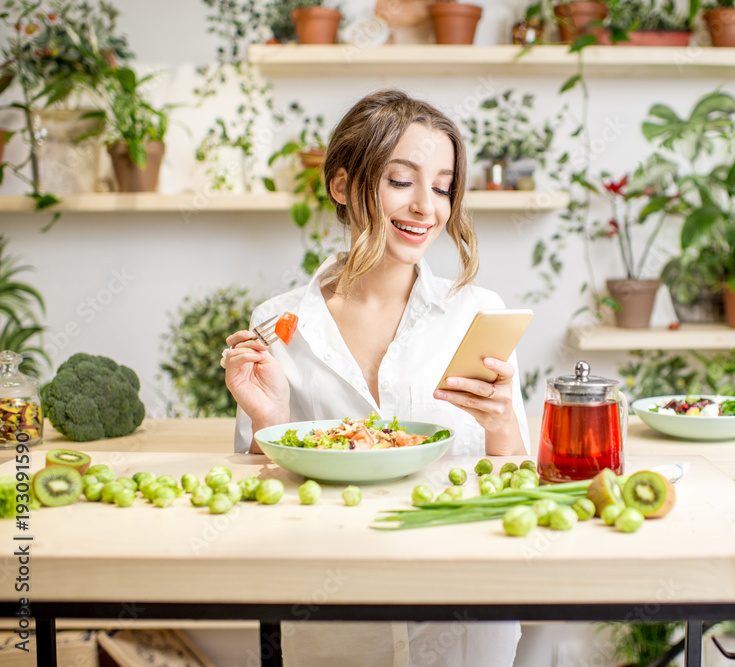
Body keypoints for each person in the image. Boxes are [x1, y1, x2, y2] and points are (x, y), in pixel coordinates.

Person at [221, 89, 530, 666]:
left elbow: (519, 488)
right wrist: (268, 421)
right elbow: (257, 498)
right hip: (333, 624)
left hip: (461, 621)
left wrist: (504, 426)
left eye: (442, 187)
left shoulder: (478, 315)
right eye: (401, 180)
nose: (426, 208)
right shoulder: (279, 324)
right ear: (342, 186)